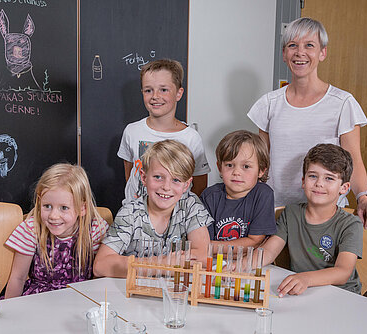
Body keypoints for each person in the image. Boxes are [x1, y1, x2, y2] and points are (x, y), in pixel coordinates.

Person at [247, 17, 367, 227]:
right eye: (292, 45)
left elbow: (353, 160)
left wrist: (364, 198)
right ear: (284, 54)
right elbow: (261, 164)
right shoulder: (269, 103)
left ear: (322, 53)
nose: (300, 52)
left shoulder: (342, 103)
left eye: (309, 45)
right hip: (276, 211)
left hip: (326, 214)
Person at [94, 140, 212, 278]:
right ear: (144, 177)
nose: (166, 187)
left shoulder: (190, 204)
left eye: (176, 180)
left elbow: (203, 256)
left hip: (174, 292)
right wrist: (162, 264)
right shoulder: (130, 213)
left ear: (186, 185)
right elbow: (100, 266)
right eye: (158, 177)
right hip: (133, 292)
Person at [256, 144, 363, 296]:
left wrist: (305, 278)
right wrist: (239, 265)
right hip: (304, 291)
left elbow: (343, 272)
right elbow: (268, 252)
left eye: (329, 178)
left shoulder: (351, 224)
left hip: (342, 295)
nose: (319, 183)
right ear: (303, 181)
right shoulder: (291, 213)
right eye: (313, 176)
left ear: (344, 188)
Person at [4, 163, 108, 297]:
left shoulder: (95, 229)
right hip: (38, 300)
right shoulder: (32, 228)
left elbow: (100, 279)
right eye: (47, 206)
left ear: (82, 208)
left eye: (64, 208)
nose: (53, 216)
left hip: (81, 299)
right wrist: (11, 314)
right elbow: (18, 278)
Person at [118, 59, 210, 204]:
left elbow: (199, 184)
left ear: (179, 94)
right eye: (148, 90)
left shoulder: (191, 138)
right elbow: (130, 172)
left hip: (175, 219)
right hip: (135, 217)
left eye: (164, 90)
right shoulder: (132, 131)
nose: (155, 96)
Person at [200, 130, 276, 253]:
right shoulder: (209, 196)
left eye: (246, 166)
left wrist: (211, 247)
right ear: (220, 168)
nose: (236, 172)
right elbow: (203, 240)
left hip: (250, 265)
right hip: (213, 263)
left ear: (261, 170)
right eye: (229, 165)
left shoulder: (263, 194)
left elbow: (255, 241)